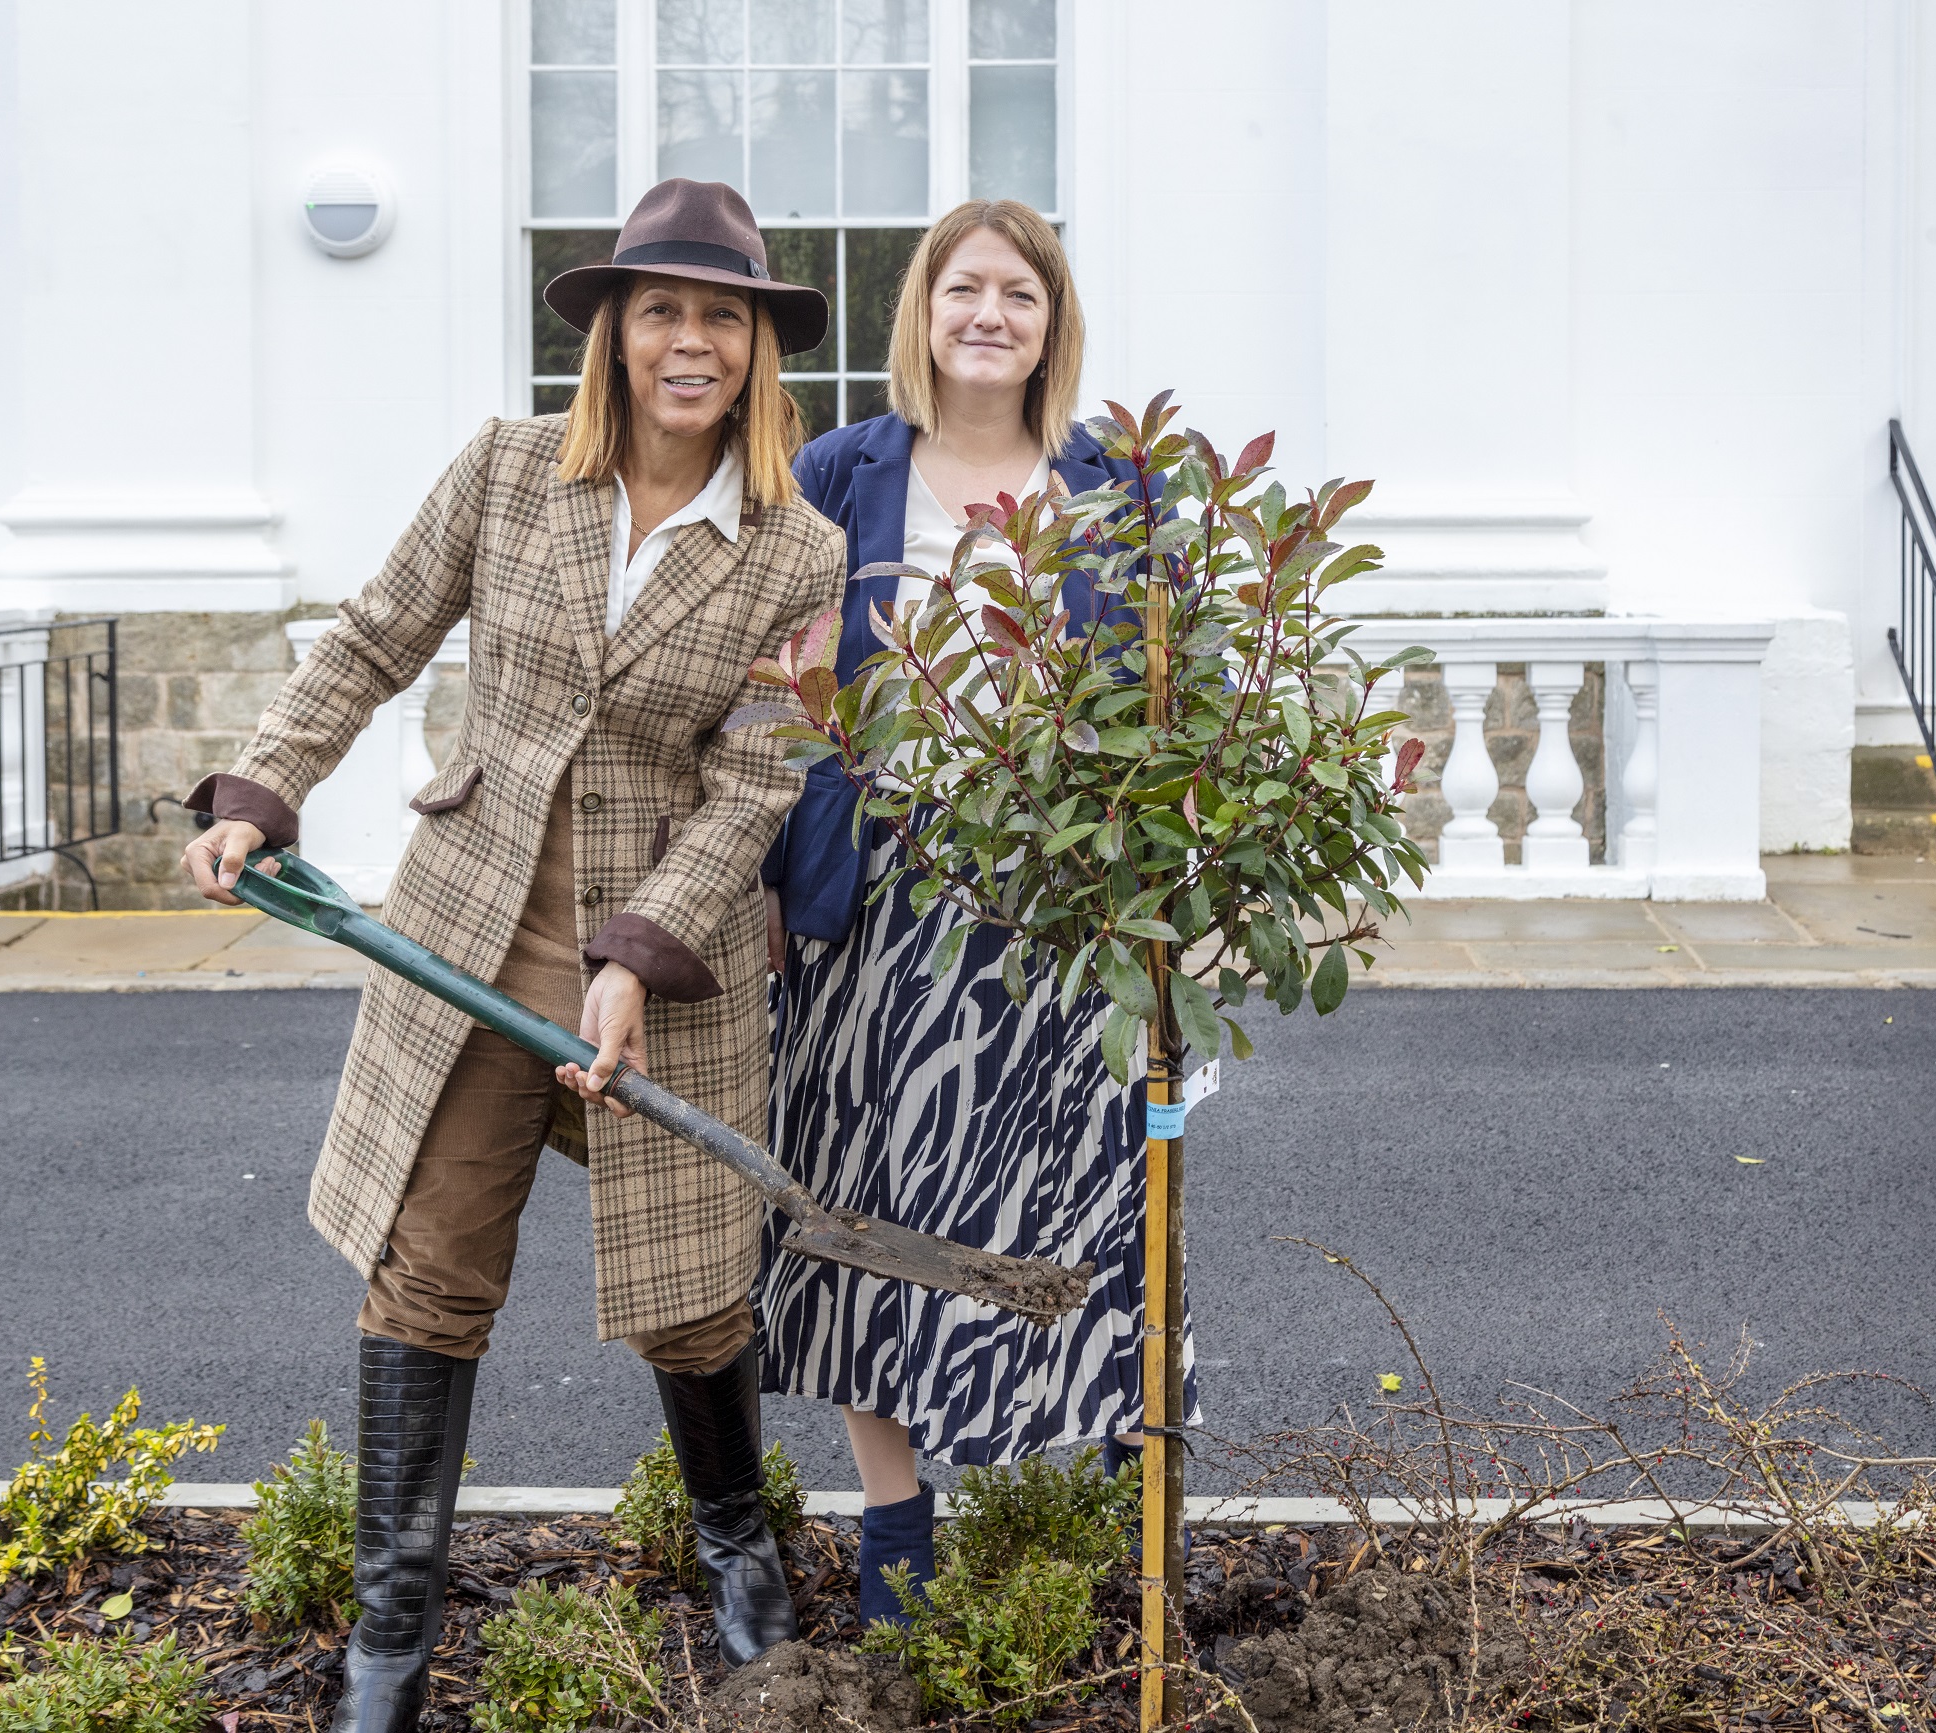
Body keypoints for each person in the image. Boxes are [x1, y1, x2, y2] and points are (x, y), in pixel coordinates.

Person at [182, 178, 844, 1730]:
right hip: (472, 929)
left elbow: (759, 775)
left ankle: (738, 1544)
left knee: (694, 1295)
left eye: (723, 318)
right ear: (612, 330)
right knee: (431, 1278)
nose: (693, 343)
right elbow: (372, 636)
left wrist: (642, 952)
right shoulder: (504, 471)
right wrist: (263, 787)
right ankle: (390, 1635)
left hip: (661, 959)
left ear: (756, 349)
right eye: (664, 310)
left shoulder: (795, 547)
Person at [756, 201, 1198, 1628]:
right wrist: (768, 878)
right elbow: (777, 687)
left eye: (1020, 290)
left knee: (1070, 1197)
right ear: (923, 312)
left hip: (1058, 903)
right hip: (874, 901)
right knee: (866, 1204)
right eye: (965, 288)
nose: (990, 312)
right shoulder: (838, 471)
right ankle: (897, 1524)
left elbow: (1165, 711)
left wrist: (1170, 890)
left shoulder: (1117, 488)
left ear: (1053, 321)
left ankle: (1077, 1501)